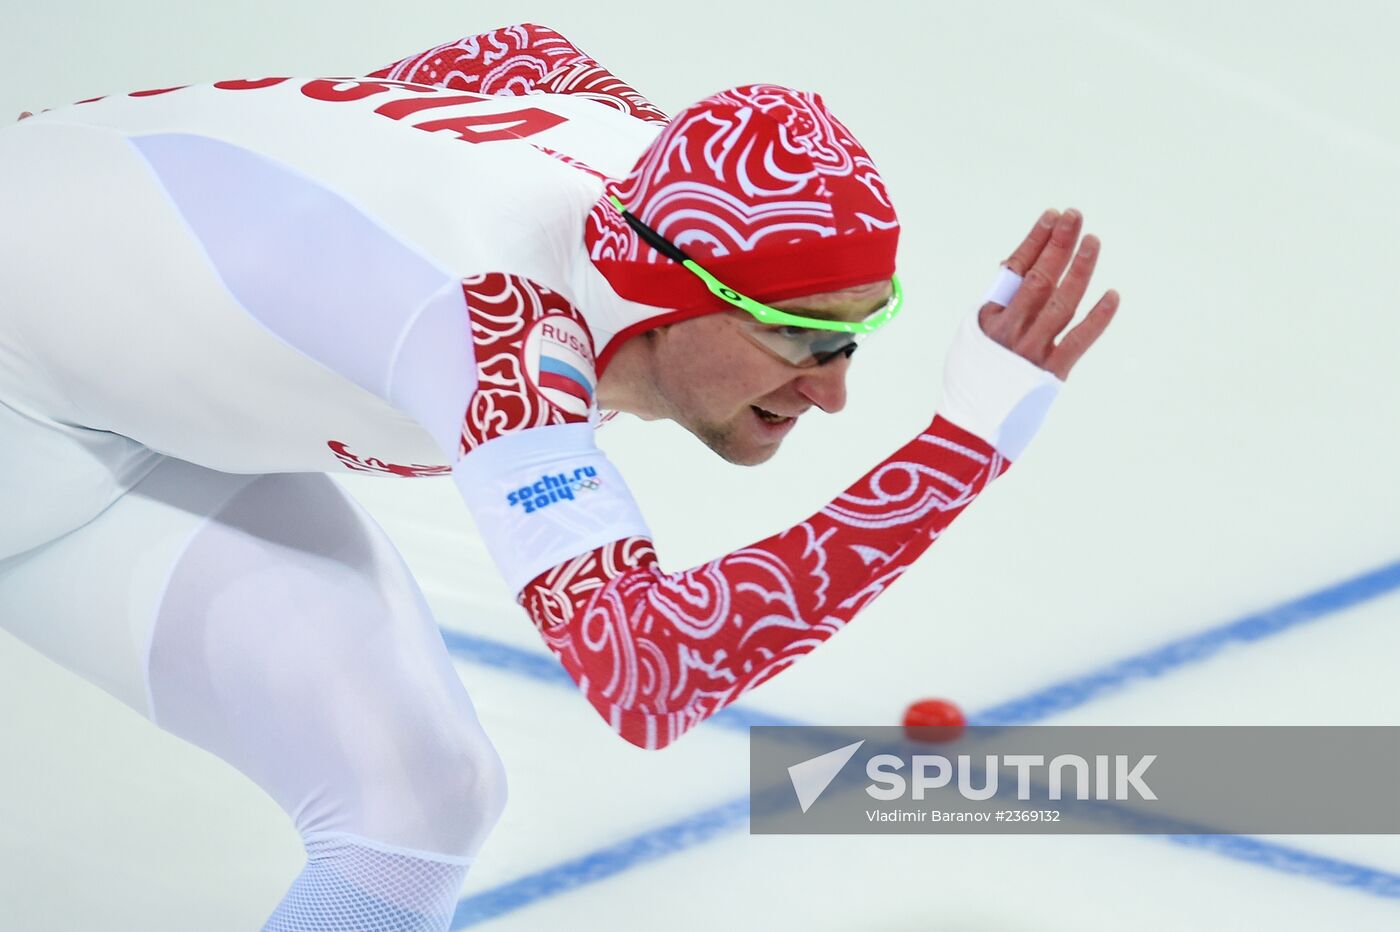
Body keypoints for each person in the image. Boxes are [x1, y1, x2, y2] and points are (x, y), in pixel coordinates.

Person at [0, 22, 1117, 932]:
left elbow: (504, 50)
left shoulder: (623, 148)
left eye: (857, 335)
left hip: (105, 422)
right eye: (796, 338)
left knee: (415, 805)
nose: (831, 391)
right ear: (667, 286)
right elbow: (649, 676)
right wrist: (959, 446)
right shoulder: (497, 325)